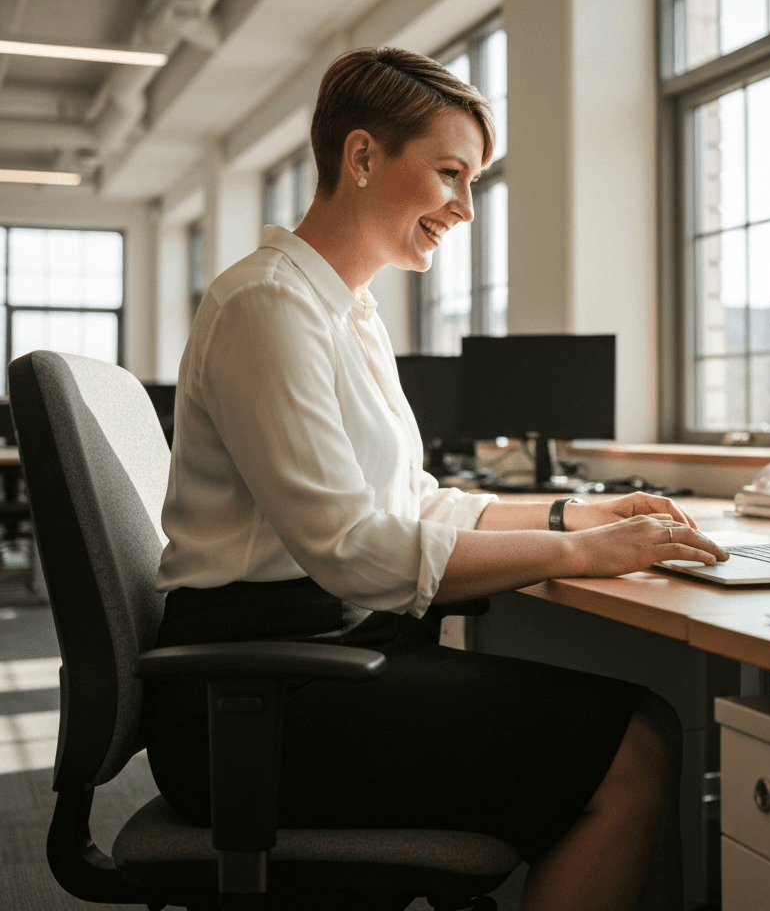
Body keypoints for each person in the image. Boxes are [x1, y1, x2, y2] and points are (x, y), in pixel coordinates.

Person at [143, 46, 728, 911]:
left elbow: (414, 501)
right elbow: (353, 549)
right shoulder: (266, 305)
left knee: (637, 728)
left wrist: (574, 516)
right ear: (362, 156)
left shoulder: (350, 312)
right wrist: (583, 556)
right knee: (635, 748)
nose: (465, 207)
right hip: (254, 701)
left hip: (325, 660)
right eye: (450, 173)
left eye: (473, 181)